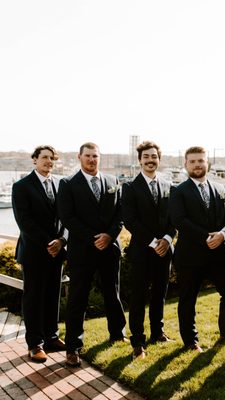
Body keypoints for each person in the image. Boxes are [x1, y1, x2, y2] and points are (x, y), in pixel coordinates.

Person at [169, 146, 225, 353]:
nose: (197, 165)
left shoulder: (220, 189)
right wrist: (207, 237)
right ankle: (190, 341)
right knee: (188, 299)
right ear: (185, 165)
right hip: (191, 255)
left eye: (200, 161)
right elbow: (179, 221)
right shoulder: (178, 191)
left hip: (220, 252)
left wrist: (222, 235)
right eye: (192, 161)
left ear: (207, 163)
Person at [57, 142, 127, 367]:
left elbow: (120, 214)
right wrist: (94, 238)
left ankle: (117, 333)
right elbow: (67, 217)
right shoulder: (67, 184)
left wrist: (109, 236)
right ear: (79, 157)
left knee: (112, 293)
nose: (91, 160)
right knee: (78, 299)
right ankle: (73, 347)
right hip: (82, 251)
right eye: (87, 156)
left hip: (109, 249)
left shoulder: (113, 181)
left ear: (100, 158)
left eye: (95, 156)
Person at [12, 145, 67, 363]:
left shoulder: (60, 185)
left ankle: (52, 337)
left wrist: (62, 240)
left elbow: (65, 217)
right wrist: (49, 242)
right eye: (44, 158)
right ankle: (35, 344)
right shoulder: (21, 186)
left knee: (53, 295)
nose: (48, 162)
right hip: (34, 251)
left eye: (52, 158)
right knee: (34, 297)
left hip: (57, 251)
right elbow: (24, 222)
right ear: (34, 160)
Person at [122, 141, 176, 360]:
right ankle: (137, 340)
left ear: (159, 159)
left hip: (165, 250)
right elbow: (130, 221)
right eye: (146, 156)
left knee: (159, 294)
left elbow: (174, 218)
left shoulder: (168, 185)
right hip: (142, 251)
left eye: (154, 156)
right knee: (138, 297)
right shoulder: (130, 187)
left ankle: (157, 333)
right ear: (140, 160)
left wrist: (167, 238)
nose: (150, 160)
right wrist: (154, 242)